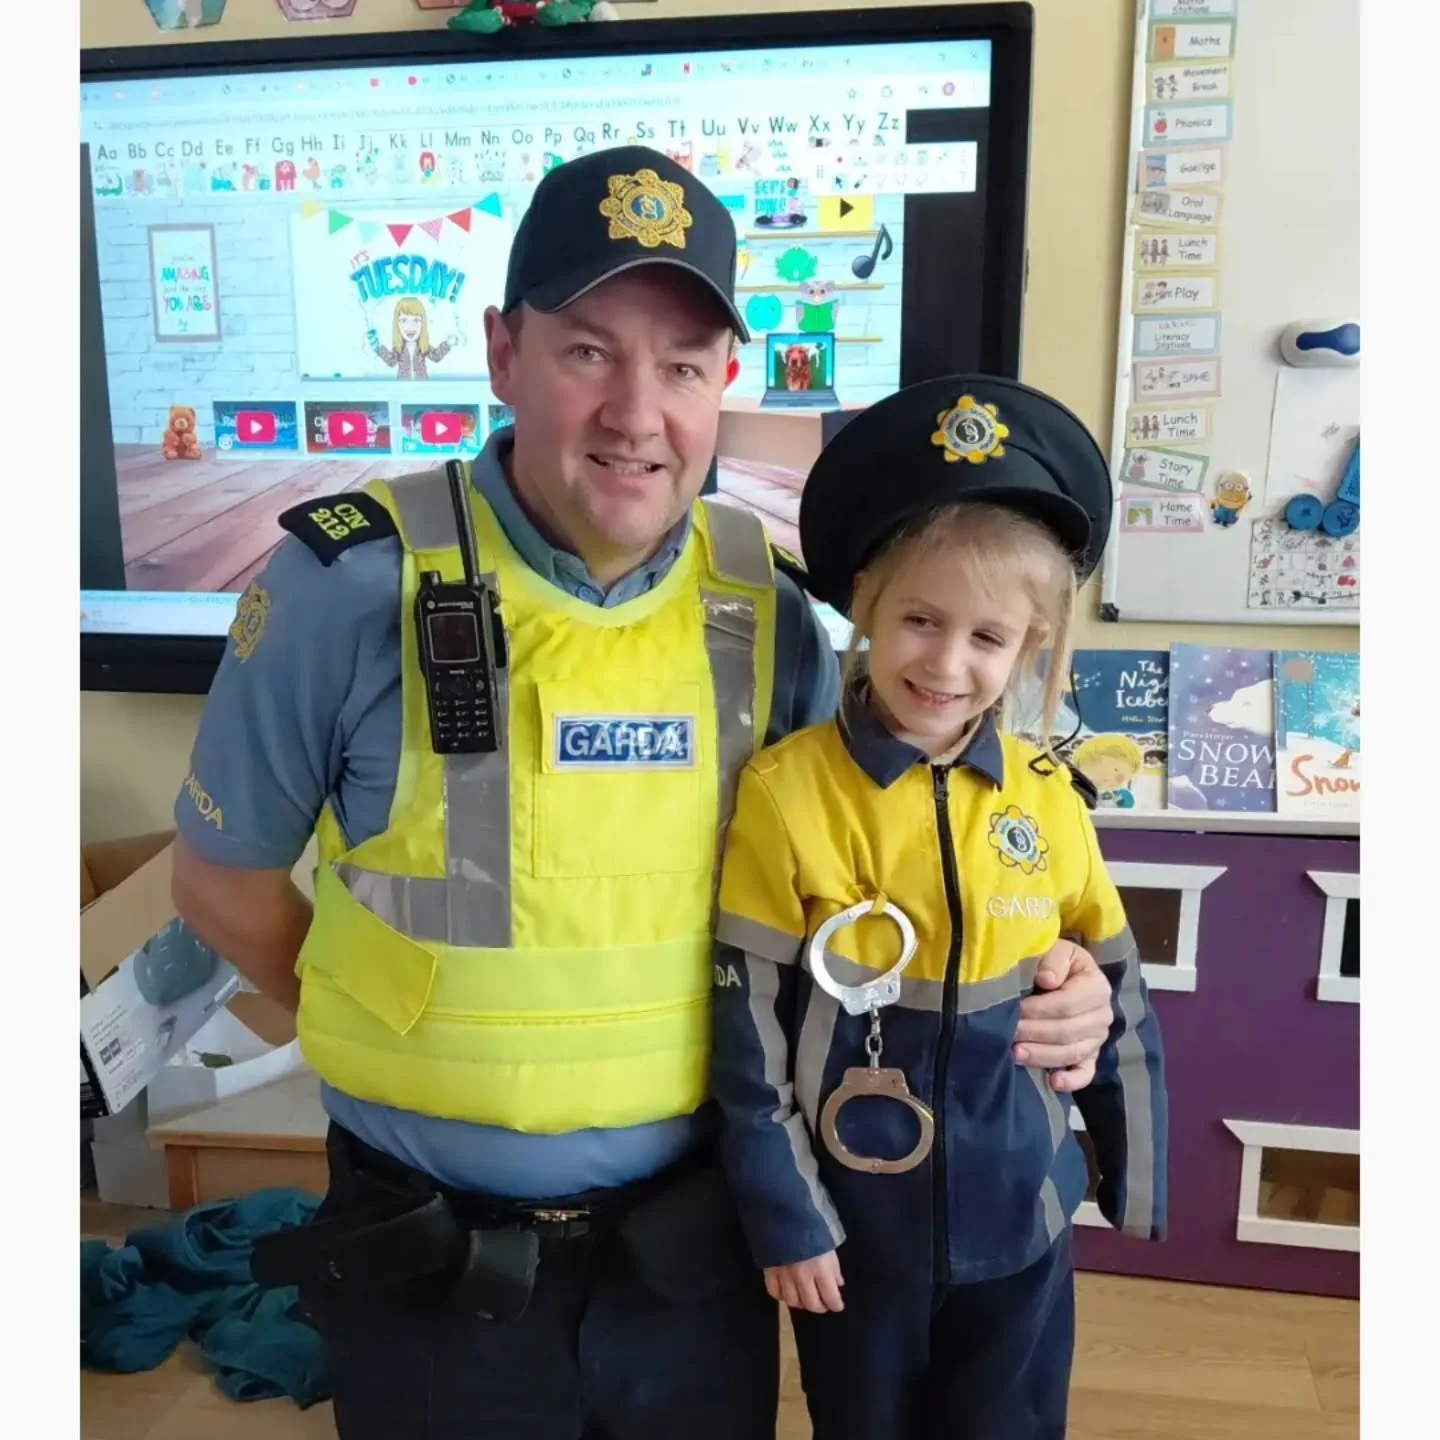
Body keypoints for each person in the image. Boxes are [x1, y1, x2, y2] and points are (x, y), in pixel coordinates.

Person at [170, 146, 1120, 1440]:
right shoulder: (346, 589)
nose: (636, 412)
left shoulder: (775, 616)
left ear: (723, 381)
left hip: (696, 1260)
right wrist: (400, 1031)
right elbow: (220, 887)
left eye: (681, 365)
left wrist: (1061, 978)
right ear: (502, 352)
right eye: (588, 352)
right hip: (429, 1259)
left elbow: (896, 868)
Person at [709, 376, 1169, 1440]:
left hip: (1024, 1223)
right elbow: (747, 1037)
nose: (948, 664)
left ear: (1030, 646)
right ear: (865, 604)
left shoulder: (1048, 800)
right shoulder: (785, 796)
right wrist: (788, 1216)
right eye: (920, 619)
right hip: (856, 1239)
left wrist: (1133, 1172)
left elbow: (1118, 988)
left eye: (988, 637)